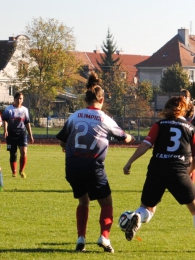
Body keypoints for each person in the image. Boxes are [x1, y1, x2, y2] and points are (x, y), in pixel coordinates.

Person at [56, 72, 135, 253]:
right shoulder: (104, 118)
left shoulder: (75, 116)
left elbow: (62, 140)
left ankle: (81, 239)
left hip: (73, 167)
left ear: (86, 99)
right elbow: (123, 137)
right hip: (93, 167)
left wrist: (66, 147)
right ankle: (104, 239)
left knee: (84, 201)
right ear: (102, 99)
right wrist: (130, 137)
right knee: (107, 203)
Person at [123, 96, 195, 242]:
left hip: (157, 170)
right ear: (183, 109)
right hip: (178, 171)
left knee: (147, 207)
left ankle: (137, 216)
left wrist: (130, 161)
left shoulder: (160, 125)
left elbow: (145, 144)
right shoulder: (191, 128)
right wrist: (189, 170)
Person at [2, 92, 34, 178]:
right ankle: (14, 172)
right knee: (13, 153)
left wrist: (30, 135)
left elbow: (27, 123)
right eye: (18, 98)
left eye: (21, 99)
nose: (19, 100)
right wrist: (5, 130)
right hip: (11, 134)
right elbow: (5, 120)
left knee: (23, 152)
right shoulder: (9, 109)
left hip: (22, 134)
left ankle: (22, 170)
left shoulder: (25, 110)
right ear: (14, 99)